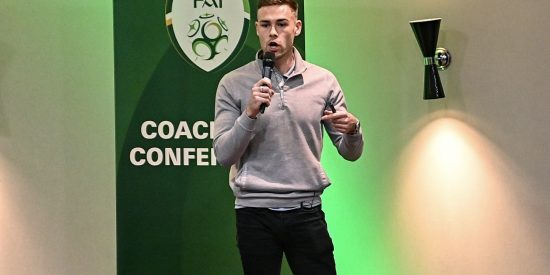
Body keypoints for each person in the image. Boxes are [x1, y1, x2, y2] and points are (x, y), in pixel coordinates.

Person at [213, 0, 363, 274]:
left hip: (306, 210)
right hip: (254, 212)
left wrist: (353, 130)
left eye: (281, 24)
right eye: (266, 25)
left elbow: (350, 152)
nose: (273, 32)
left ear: (297, 27)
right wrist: (249, 113)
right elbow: (224, 155)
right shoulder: (233, 83)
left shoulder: (324, 81)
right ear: (257, 29)